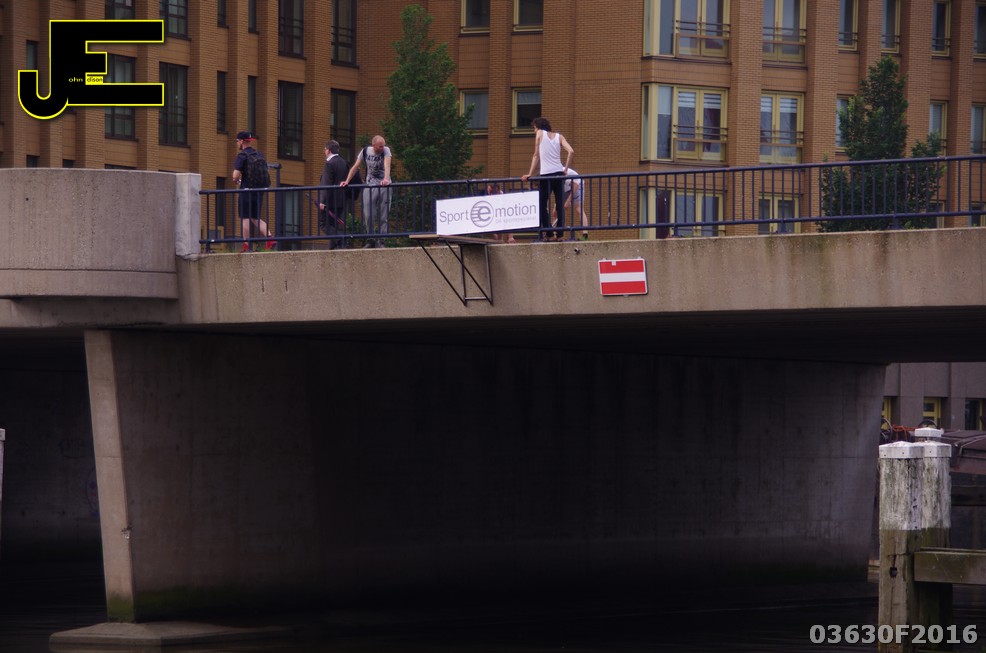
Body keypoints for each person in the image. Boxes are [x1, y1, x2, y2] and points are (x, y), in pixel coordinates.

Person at [521, 117, 573, 241]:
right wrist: (565, 169)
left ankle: (549, 234)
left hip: (546, 175)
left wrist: (529, 174)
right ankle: (560, 234)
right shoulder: (559, 136)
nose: (534, 131)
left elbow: (536, 155)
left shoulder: (540, 133)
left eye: (534, 128)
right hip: (559, 174)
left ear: (538, 127)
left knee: (542, 204)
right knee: (560, 204)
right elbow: (571, 151)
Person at [341, 135, 392, 248]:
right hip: (370, 185)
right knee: (368, 215)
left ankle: (381, 240)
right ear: (373, 145)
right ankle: (371, 239)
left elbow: (387, 165)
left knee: (383, 216)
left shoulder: (386, 150)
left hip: (384, 186)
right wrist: (347, 181)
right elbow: (355, 167)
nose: (382, 148)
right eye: (380, 146)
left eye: (383, 145)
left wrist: (386, 179)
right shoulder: (365, 151)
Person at [232, 130, 274, 252]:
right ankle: (270, 238)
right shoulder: (259, 154)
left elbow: (235, 176)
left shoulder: (242, 156)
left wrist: (236, 180)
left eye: (237, 141)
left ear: (241, 141)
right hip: (259, 191)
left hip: (246, 191)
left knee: (245, 217)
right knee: (255, 218)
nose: (237, 143)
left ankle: (246, 245)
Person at [318, 140, 350, 249]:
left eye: (325, 149)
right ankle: (333, 248)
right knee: (333, 224)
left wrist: (322, 201)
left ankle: (341, 239)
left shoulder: (329, 164)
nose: (324, 152)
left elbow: (326, 184)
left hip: (330, 201)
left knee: (324, 224)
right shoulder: (343, 162)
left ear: (328, 150)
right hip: (341, 199)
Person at [564, 168, 589, 240]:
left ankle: (585, 235)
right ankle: (554, 234)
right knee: (556, 211)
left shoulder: (560, 173)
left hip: (577, 184)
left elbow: (576, 185)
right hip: (566, 187)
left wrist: (568, 201)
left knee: (578, 209)